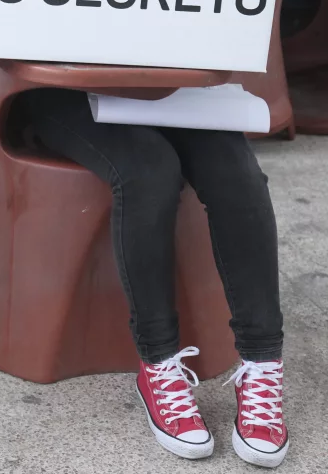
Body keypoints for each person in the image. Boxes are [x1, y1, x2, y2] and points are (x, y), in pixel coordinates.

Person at [18, 88, 288, 468]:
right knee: (149, 170)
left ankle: (262, 363)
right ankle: (158, 363)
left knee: (238, 176)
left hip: (176, 86)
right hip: (69, 88)